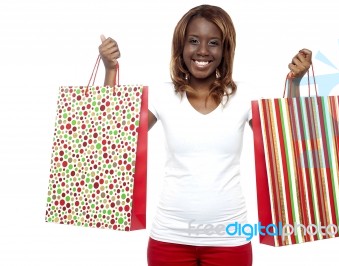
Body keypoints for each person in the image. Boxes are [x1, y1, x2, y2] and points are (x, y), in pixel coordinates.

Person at [99, 4, 311, 266]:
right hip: (168, 238)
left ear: (225, 50)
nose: (202, 51)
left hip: (229, 240)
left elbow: (285, 144)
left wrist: (294, 83)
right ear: (181, 46)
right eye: (193, 41)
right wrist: (110, 70)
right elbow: (110, 138)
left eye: (213, 42)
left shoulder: (245, 96)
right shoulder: (161, 95)